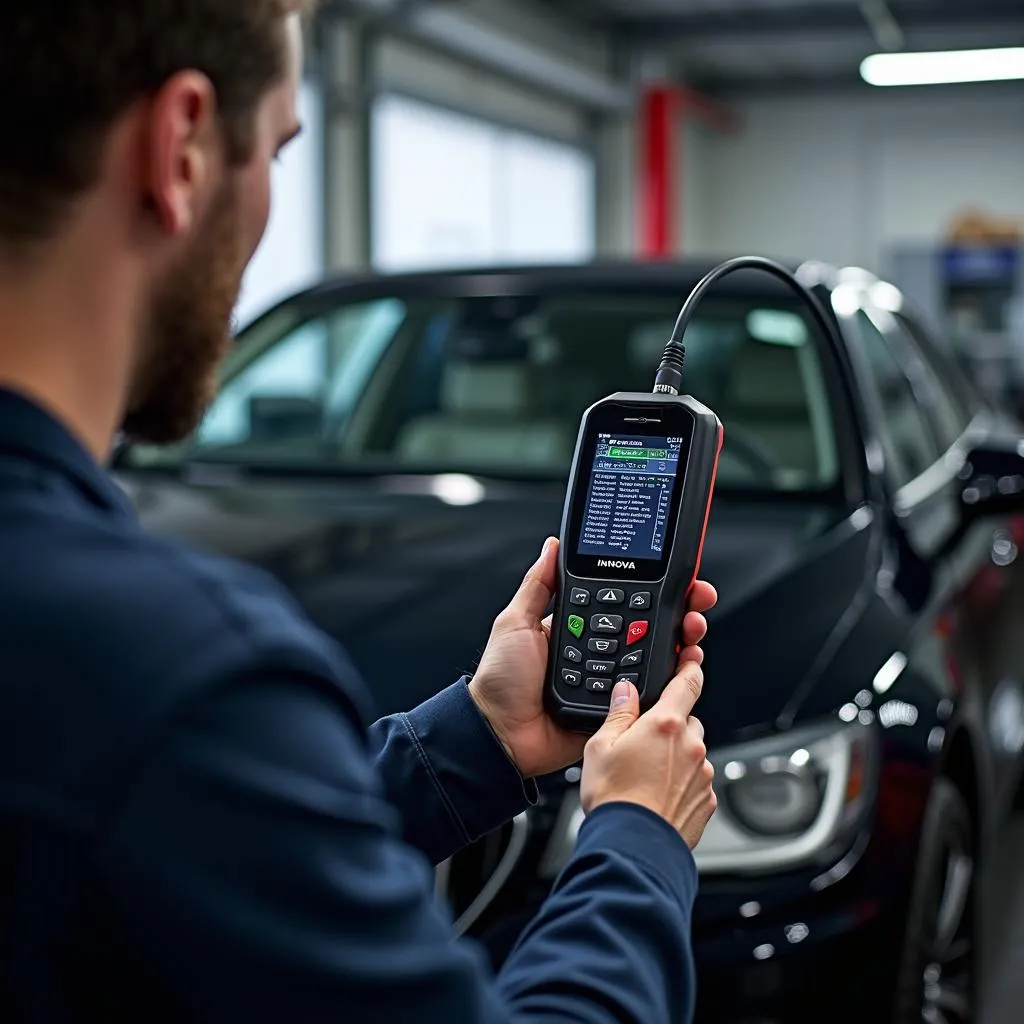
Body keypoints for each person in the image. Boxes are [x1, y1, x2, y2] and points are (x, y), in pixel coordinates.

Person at [0, 3, 719, 1022]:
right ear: (184, 148)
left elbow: (190, 844)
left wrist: (473, 742)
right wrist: (638, 840)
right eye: (281, 152)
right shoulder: (183, 674)